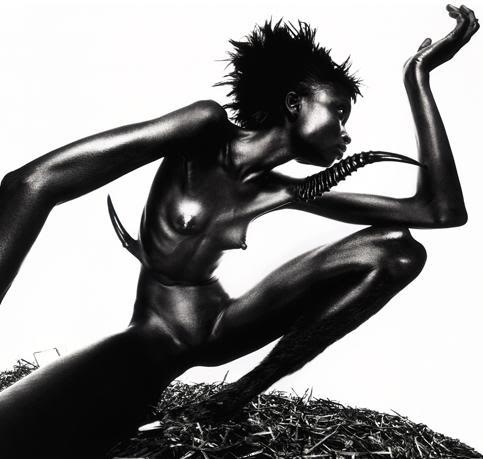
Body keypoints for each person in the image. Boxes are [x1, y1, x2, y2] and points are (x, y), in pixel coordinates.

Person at [0, 4, 478, 458]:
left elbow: (440, 211)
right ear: (294, 102)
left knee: (398, 251)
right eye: (337, 111)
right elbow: (33, 183)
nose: (345, 132)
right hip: (151, 339)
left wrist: (418, 77)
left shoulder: (283, 190)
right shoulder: (202, 130)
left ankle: (236, 396)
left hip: (220, 326)